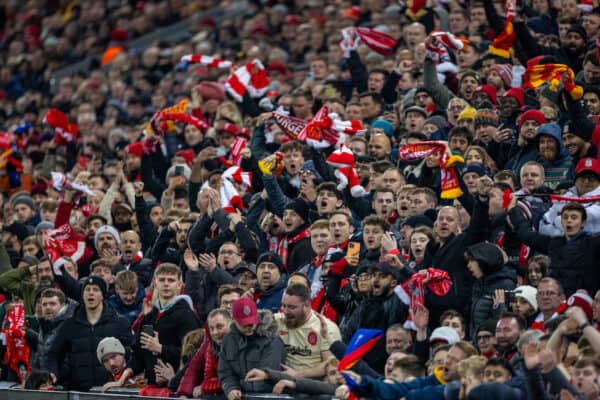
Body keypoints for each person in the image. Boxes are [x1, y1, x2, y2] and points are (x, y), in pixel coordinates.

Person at [46, 277, 133, 391]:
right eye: (87, 290)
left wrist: (123, 376)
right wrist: (53, 373)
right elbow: (53, 354)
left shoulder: (120, 323)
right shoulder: (69, 325)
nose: (91, 293)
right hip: (78, 391)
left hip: (110, 391)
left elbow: (131, 353)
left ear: (102, 295)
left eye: (95, 290)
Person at [133, 263, 200, 385]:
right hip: (150, 386)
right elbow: (137, 353)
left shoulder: (188, 316)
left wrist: (161, 348)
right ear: (155, 283)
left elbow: (194, 355)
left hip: (177, 388)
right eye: (162, 280)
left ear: (179, 285)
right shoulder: (148, 317)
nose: (166, 284)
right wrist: (126, 375)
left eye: (171, 280)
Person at [218, 298, 286, 400]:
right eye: (244, 324)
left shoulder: (271, 340)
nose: (249, 327)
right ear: (233, 319)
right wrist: (231, 388)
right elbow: (225, 372)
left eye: (251, 322)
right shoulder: (228, 340)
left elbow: (265, 382)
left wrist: (240, 385)